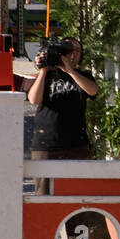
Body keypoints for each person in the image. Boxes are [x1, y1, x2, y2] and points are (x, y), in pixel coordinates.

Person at [28, 36, 98, 195]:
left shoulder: (83, 75)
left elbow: (92, 90)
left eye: (77, 51)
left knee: (77, 195)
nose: (73, 55)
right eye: (68, 51)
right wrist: (43, 71)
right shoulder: (47, 76)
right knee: (43, 196)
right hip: (46, 145)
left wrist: (70, 71)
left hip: (76, 145)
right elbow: (34, 99)